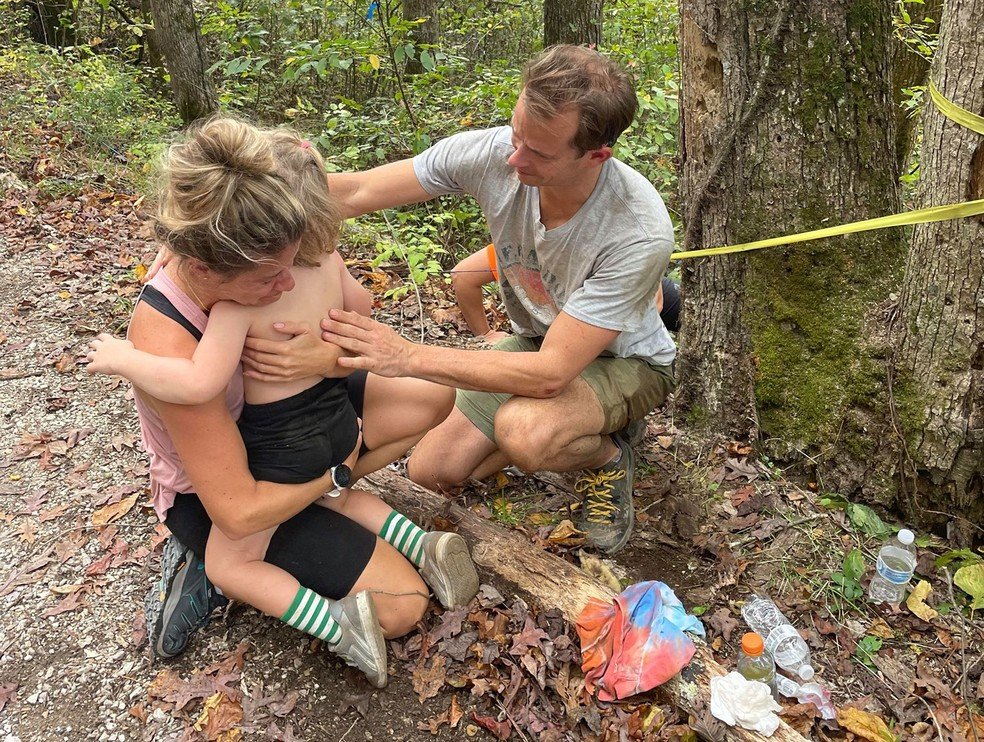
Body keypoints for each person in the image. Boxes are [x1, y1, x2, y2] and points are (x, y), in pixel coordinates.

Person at [240, 46, 677, 555]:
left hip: (626, 360)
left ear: (597, 153)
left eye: (538, 152)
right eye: (516, 135)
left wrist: (404, 357)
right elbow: (354, 192)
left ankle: (605, 456)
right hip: (537, 341)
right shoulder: (497, 154)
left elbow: (552, 373)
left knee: (525, 433)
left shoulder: (637, 230)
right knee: (433, 470)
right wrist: (217, 227)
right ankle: (563, 425)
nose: (515, 159)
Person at [91, 119, 468, 686]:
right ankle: (198, 562)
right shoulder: (173, 331)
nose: (287, 286)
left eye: (290, 266)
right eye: (271, 278)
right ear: (202, 268)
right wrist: (334, 476)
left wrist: (323, 356)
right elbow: (237, 509)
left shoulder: (237, 261)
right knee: (402, 605)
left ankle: (310, 517)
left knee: (429, 396)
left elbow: (347, 282)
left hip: (283, 444)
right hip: (224, 491)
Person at [450, 243, 681, 341]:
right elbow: (463, 276)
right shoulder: (511, 249)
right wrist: (485, 334)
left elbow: (655, 304)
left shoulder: (590, 243)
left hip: (646, 299)